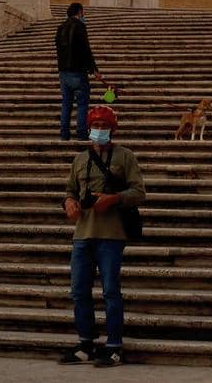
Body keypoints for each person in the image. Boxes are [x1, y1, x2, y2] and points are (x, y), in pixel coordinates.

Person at [59, 105, 146, 368]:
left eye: (104, 127)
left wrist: (115, 199)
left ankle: (114, 346)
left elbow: (139, 192)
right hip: (83, 234)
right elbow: (69, 190)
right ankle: (86, 342)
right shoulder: (80, 159)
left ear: (113, 130)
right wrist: (69, 204)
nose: (99, 131)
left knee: (110, 291)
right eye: (95, 126)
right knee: (79, 291)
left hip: (112, 234)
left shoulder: (124, 156)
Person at [56, 2, 106, 142]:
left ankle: (64, 134)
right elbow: (85, 50)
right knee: (82, 103)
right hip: (77, 72)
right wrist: (94, 70)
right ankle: (81, 133)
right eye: (83, 12)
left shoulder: (60, 28)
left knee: (66, 103)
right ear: (79, 12)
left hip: (63, 72)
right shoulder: (79, 26)